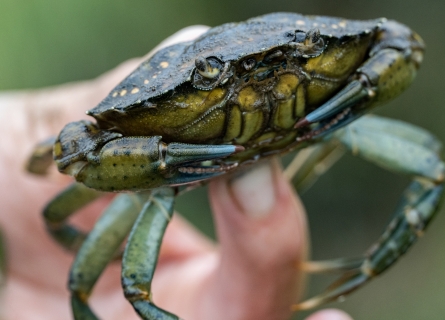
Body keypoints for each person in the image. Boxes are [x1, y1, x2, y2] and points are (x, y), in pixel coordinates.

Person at [0, 26, 353, 320]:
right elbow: (75, 154)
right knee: (114, 286)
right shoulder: (111, 144)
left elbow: (398, 46)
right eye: (209, 80)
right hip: (156, 166)